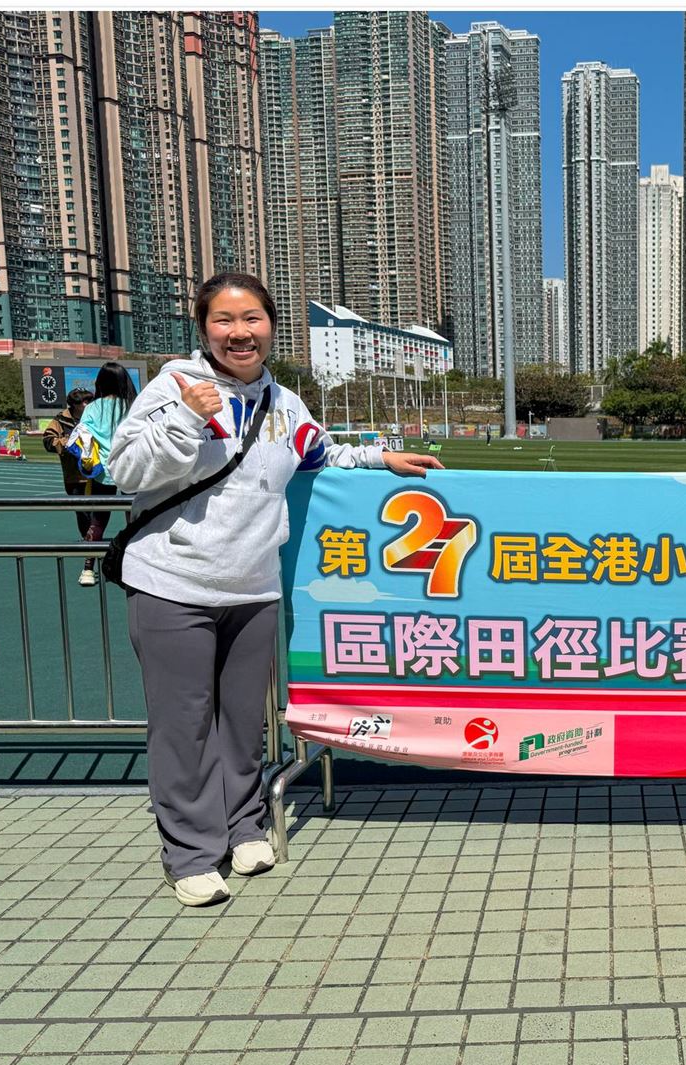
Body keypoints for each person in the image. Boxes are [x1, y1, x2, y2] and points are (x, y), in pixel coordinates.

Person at [107, 272, 443, 908]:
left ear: (270, 326)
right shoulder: (175, 386)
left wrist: (381, 459)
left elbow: (318, 453)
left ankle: (242, 826)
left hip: (253, 587)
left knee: (243, 722)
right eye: (224, 320)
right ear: (203, 329)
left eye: (252, 319)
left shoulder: (283, 401)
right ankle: (191, 852)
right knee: (183, 725)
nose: (240, 333)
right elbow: (125, 470)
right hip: (172, 585)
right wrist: (187, 417)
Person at [43, 387, 117, 586]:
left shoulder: (97, 415)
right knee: (83, 514)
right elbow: (48, 441)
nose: (87, 404)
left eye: (89, 400)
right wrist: (69, 443)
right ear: (74, 404)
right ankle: (89, 548)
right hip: (75, 476)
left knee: (97, 516)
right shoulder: (60, 420)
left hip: (97, 473)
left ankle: (91, 554)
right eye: (83, 401)